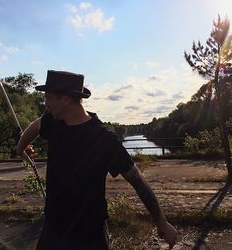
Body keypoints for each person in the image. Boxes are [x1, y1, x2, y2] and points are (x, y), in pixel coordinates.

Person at [17, 70, 178, 250]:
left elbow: (137, 181)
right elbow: (30, 133)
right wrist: (21, 149)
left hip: (89, 236)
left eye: (48, 97)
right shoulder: (52, 122)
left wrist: (161, 222)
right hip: (53, 230)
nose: (45, 103)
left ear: (65, 99)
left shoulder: (103, 138)